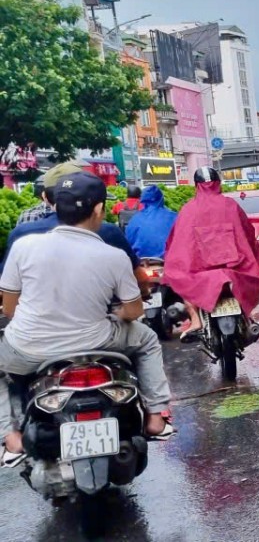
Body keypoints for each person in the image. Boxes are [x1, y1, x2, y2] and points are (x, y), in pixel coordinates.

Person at [0, 173, 175, 465]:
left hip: (30, 348)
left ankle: (10, 437)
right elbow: (134, 312)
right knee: (147, 339)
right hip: (97, 343)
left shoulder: (23, 247)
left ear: (54, 206)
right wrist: (117, 314)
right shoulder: (112, 255)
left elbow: (9, 308)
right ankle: (156, 416)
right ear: (98, 210)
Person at [162, 167, 259, 342]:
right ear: (218, 184)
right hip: (234, 270)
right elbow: (248, 233)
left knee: (178, 275)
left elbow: (175, 242)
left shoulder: (188, 209)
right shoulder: (230, 205)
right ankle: (247, 317)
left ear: (196, 186)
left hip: (200, 275)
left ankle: (195, 320)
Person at [4, 163, 138, 273]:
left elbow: (8, 286)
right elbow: (137, 279)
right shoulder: (108, 232)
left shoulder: (20, 235)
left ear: (44, 196)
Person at [125, 185, 177, 260]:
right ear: (161, 199)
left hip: (142, 262)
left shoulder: (135, 219)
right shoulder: (174, 216)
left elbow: (129, 243)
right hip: (169, 261)